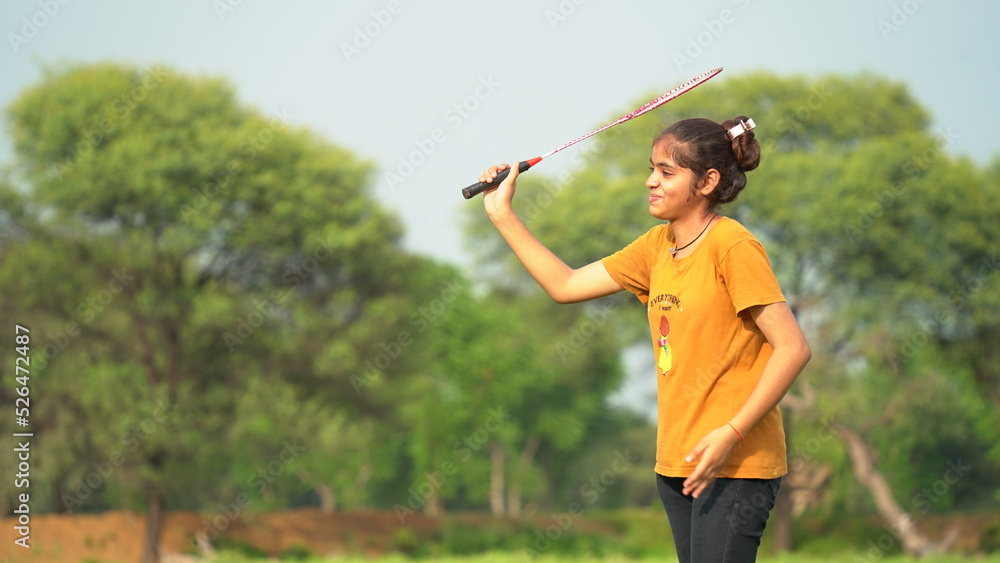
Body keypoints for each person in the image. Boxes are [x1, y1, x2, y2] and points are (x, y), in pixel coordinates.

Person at [478, 115, 811, 562]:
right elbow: (566, 285)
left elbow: (793, 348)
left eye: (667, 172)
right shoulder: (656, 247)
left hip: (735, 464)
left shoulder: (732, 245)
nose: (651, 181)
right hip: (676, 463)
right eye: (652, 168)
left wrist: (730, 433)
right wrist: (503, 214)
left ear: (708, 181)